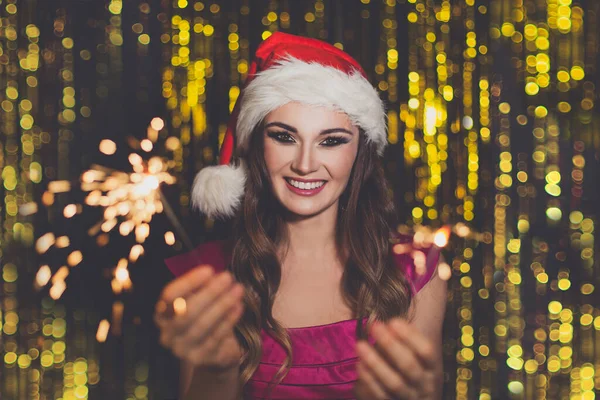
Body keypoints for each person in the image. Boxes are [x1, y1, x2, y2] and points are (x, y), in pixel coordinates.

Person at [154, 32, 447, 400]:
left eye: (331, 140)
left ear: (360, 151)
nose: (305, 164)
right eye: (284, 137)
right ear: (259, 144)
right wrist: (218, 367)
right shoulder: (208, 278)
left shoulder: (415, 272)